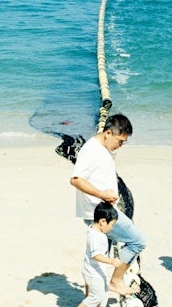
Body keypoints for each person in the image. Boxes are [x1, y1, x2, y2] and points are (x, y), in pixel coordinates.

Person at [70, 114, 146, 296]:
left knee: (97, 261)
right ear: (108, 133)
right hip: (100, 214)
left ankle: (91, 298)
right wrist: (102, 194)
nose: (120, 145)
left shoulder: (102, 147)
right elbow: (75, 179)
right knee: (137, 241)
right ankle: (116, 281)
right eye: (120, 141)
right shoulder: (92, 150)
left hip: (104, 211)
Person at [78, 201, 124, 307]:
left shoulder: (94, 229)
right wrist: (111, 261)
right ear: (103, 221)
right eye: (112, 224)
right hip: (93, 273)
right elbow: (96, 255)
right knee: (95, 298)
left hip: (93, 270)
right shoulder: (95, 236)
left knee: (102, 295)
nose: (112, 228)